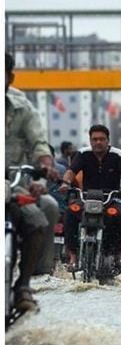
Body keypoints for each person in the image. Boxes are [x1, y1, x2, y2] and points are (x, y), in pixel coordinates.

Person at [5, 52, 60, 309]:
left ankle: (23, 285)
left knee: (38, 218)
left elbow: (38, 142)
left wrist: (46, 164)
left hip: (12, 186)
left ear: (10, 78)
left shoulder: (23, 110)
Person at [59, 125, 121, 273]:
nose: (98, 142)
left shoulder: (118, 155)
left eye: (101, 139)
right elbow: (71, 171)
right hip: (86, 197)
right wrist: (65, 183)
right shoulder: (82, 154)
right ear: (90, 140)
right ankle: (73, 257)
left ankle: (118, 256)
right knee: (70, 213)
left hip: (111, 198)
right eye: (94, 139)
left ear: (108, 140)